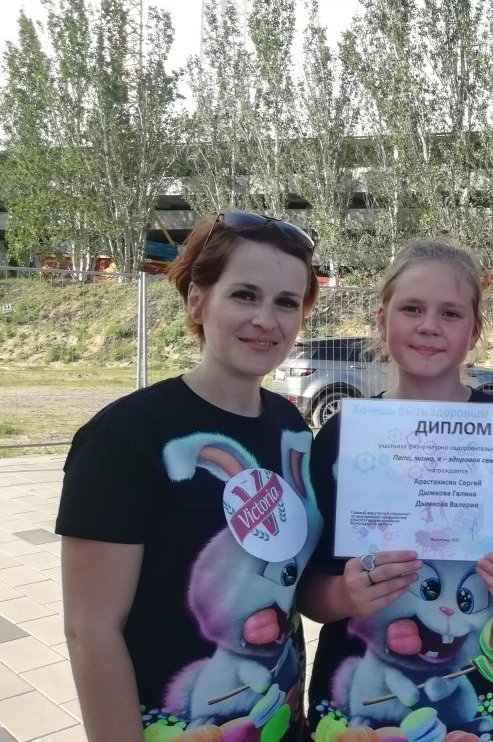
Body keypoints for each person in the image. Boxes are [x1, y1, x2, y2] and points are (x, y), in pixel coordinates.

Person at [57, 211, 323, 742]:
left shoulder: (292, 428)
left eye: (286, 302)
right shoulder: (127, 436)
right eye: (244, 295)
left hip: (280, 723)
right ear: (198, 301)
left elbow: (299, 586)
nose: (266, 320)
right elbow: (91, 631)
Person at [300, 239, 493, 742]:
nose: (429, 325)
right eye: (412, 309)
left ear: (475, 330)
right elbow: (309, 591)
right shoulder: (343, 436)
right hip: (360, 710)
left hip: (483, 710)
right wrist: (343, 594)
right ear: (382, 319)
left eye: (450, 313)